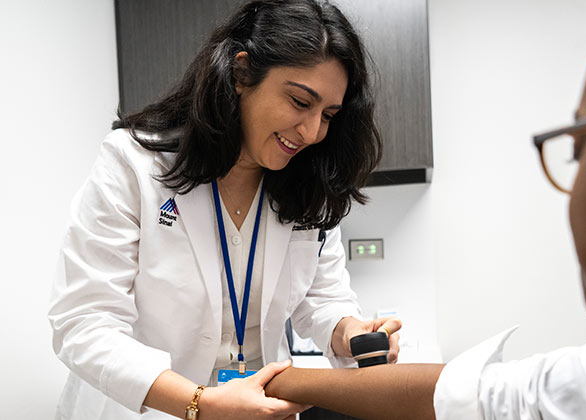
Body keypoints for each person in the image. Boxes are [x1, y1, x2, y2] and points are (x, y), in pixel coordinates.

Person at [261, 0, 586, 418]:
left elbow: (326, 305)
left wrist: (274, 373)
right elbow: (479, 395)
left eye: (578, 145)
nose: (311, 131)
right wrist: (243, 388)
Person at [48, 1, 402, 419]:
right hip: (145, 410)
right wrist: (200, 403)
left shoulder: (306, 182)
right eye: (298, 101)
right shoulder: (135, 164)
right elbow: (84, 322)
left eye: (328, 115)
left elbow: (320, 298)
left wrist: (348, 331)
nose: (311, 132)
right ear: (242, 73)